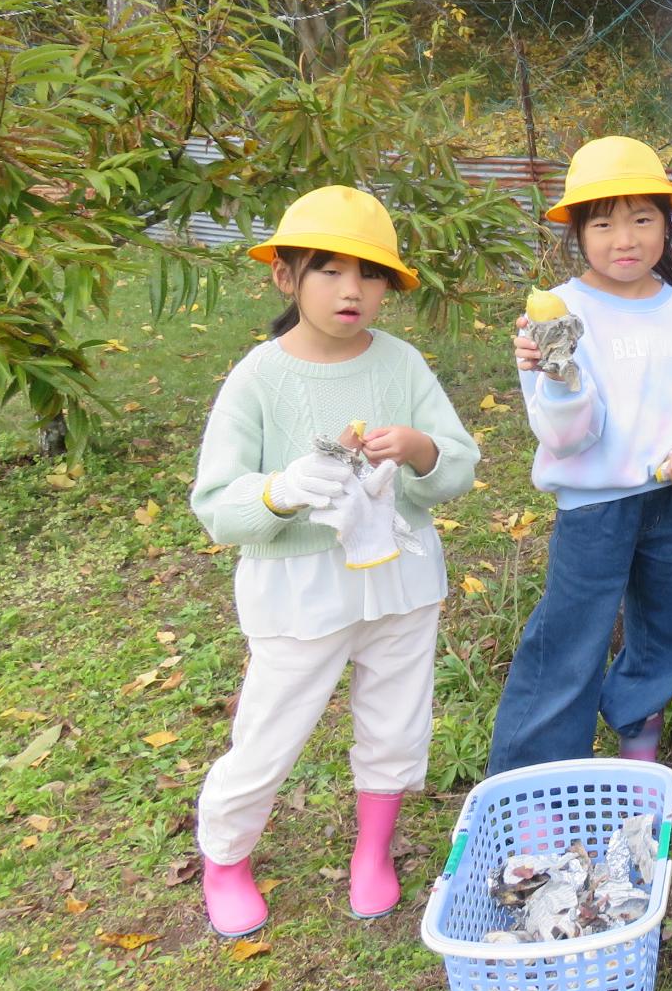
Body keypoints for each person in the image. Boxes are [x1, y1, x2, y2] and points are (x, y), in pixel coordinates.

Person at [191, 187, 479, 937]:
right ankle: (225, 856)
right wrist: (281, 493)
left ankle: (373, 851)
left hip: (401, 576)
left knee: (396, 722)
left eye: (371, 274)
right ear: (284, 277)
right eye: (327, 270)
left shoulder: (403, 364)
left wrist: (418, 451)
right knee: (271, 729)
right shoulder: (259, 377)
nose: (352, 290)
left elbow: (456, 467)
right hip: (297, 589)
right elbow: (217, 504)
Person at [487, 136, 672, 772]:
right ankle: (538, 778)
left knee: (671, 630)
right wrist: (561, 375)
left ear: (666, 224)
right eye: (602, 222)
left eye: (642, 218)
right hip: (595, 508)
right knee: (571, 639)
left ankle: (638, 750)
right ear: (577, 231)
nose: (623, 238)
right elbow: (567, 436)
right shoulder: (558, 316)